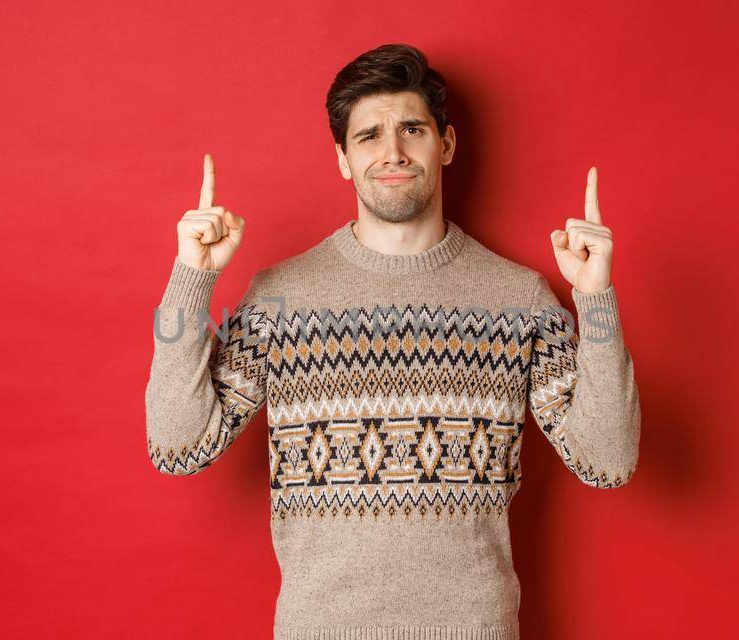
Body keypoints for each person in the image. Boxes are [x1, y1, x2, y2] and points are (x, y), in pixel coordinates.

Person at [145, 42, 641, 640]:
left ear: (447, 144)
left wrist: (596, 300)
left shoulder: (519, 299)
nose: (393, 152)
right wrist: (190, 279)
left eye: (412, 129)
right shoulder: (282, 296)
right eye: (369, 136)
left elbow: (609, 462)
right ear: (342, 160)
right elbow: (176, 446)